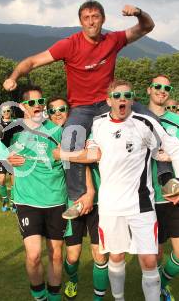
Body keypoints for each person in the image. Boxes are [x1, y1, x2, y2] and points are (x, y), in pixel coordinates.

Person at [3, 0, 155, 219]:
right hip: (82, 108)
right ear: (80, 21)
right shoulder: (69, 44)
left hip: (107, 102)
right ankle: (78, 197)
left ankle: (167, 177)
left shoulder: (113, 39)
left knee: (150, 119)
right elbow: (33, 61)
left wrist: (139, 13)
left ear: (103, 19)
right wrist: (13, 77)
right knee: (69, 141)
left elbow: (146, 27)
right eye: (86, 18)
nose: (91, 22)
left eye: (95, 17)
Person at [59, 79, 179, 301]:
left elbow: (174, 147)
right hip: (110, 205)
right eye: (117, 96)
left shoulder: (144, 122)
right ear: (108, 101)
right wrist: (80, 150)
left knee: (149, 260)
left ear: (132, 100)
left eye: (127, 96)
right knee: (116, 257)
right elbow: (91, 148)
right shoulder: (98, 123)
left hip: (142, 204)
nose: (122, 100)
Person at [5, 86, 67, 301]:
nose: (38, 106)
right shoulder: (13, 131)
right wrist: (7, 159)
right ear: (23, 106)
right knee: (33, 256)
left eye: (41, 101)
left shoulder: (57, 131)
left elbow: (72, 164)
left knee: (56, 255)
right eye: (32, 103)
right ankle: (40, 298)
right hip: (27, 201)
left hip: (56, 199)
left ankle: (54, 297)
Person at [47, 97, 109, 300]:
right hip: (70, 203)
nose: (57, 113)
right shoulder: (51, 136)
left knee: (100, 255)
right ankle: (72, 279)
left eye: (62, 109)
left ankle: (98, 298)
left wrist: (90, 191)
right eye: (53, 110)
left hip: (98, 202)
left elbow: (89, 160)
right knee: (72, 257)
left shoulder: (87, 131)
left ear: (71, 111)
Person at [147, 75, 179, 300]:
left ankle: (160, 284)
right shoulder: (136, 119)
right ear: (149, 90)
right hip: (147, 198)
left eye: (166, 87)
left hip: (176, 196)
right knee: (155, 253)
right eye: (157, 86)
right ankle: (157, 291)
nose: (162, 90)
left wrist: (175, 154)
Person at [0, 105, 15, 212]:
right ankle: (5, 201)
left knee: (14, 182)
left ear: (11, 112)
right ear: (1, 112)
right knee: (2, 180)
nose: (6, 112)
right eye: (4, 111)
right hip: (1, 157)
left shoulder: (16, 123)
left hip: (13, 157)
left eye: (8, 111)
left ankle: (14, 202)